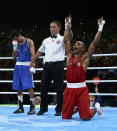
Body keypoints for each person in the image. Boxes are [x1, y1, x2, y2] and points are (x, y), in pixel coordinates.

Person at [62, 17, 105, 120]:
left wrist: (100, 27)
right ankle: (74, 109)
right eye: (76, 44)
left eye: (79, 44)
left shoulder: (85, 58)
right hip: (69, 89)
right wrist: (67, 25)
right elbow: (66, 40)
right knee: (65, 117)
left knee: (86, 117)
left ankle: (94, 108)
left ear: (83, 49)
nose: (76, 45)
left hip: (81, 90)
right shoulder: (69, 56)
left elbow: (94, 43)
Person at [30, 15, 73, 116]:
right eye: (50, 27)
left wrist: (68, 26)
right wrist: (32, 62)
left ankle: (59, 110)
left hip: (58, 65)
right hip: (47, 66)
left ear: (59, 28)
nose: (52, 28)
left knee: (59, 89)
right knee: (43, 88)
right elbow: (39, 52)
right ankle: (43, 109)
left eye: (54, 26)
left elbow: (70, 36)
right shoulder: (46, 40)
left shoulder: (63, 38)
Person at [11, 30, 35, 114]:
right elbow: (14, 57)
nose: (16, 40)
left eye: (17, 39)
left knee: (29, 87)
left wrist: (32, 65)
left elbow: (33, 54)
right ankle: (20, 107)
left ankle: (32, 108)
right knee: (18, 88)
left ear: (20, 35)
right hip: (18, 66)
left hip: (27, 66)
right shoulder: (16, 43)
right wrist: (14, 47)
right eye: (15, 40)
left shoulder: (29, 41)